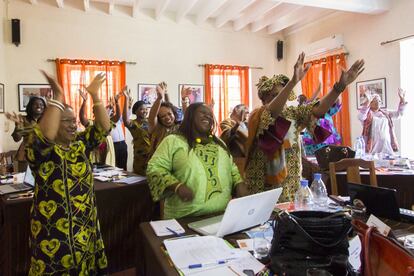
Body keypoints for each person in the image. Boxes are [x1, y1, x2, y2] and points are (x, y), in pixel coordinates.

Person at [244, 53, 364, 202]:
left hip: (291, 186)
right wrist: (293, 81)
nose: (279, 97)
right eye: (274, 95)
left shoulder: (293, 113)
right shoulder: (259, 116)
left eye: (282, 94)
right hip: (264, 189)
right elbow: (272, 112)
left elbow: (317, 110)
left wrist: (340, 87)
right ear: (264, 99)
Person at [24, 71, 110, 275]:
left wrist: (95, 95)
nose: (73, 125)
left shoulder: (79, 145)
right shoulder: (42, 151)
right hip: (53, 231)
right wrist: (58, 97)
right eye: (66, 121)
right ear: (54, 123)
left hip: (85, 225)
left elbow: (103, 128)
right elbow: (44, 138)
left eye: (74, 121)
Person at [146, 103, 248, 219]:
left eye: (209, 114)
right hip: (184, 219)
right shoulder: (173, 141)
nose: (207, 116)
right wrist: (176, 186)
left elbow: (232, 170)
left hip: (221, 217)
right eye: (202, 113)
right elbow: (154, 167)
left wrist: (239, 184)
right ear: (190, 117)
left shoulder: (220, 144)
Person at [358, 88, 407, 155]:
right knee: (373, 164)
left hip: (386, 146)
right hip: (372, 147)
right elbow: (361, 116)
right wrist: (367, 102)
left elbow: (399, 114)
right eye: (375, 100)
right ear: (370, 102)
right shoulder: (367, 114)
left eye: (379, 101)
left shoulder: (386, 113)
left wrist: (402, 99)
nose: (378, 102)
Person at [6, 96, 46, 172]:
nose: (39, 106)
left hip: (43, 154)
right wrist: (18, 124)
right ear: (30, 106)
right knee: (25, 180)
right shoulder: (22, 119)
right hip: (26, 155)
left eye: (41, 104)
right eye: (35, 104)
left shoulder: (47, 121)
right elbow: (17, 139)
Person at [122, 88, 150, 176]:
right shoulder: (134, 124)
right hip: (140, 159)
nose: (145, 111)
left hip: (153, 156)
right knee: (140, 181)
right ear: (136, 111)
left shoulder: (151, 121)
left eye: (146, 109)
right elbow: (125, 120)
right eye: (142, 109)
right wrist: (126, 99)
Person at [148, 82, 180, 156]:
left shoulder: (179, 126)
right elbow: (152, 117)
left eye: (169, 114)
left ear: (174, 114)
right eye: (162, 116)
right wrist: (159, 98)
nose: (167, 118)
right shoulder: (157, 128)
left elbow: (169, 106)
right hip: (159, 163)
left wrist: (165, 93)